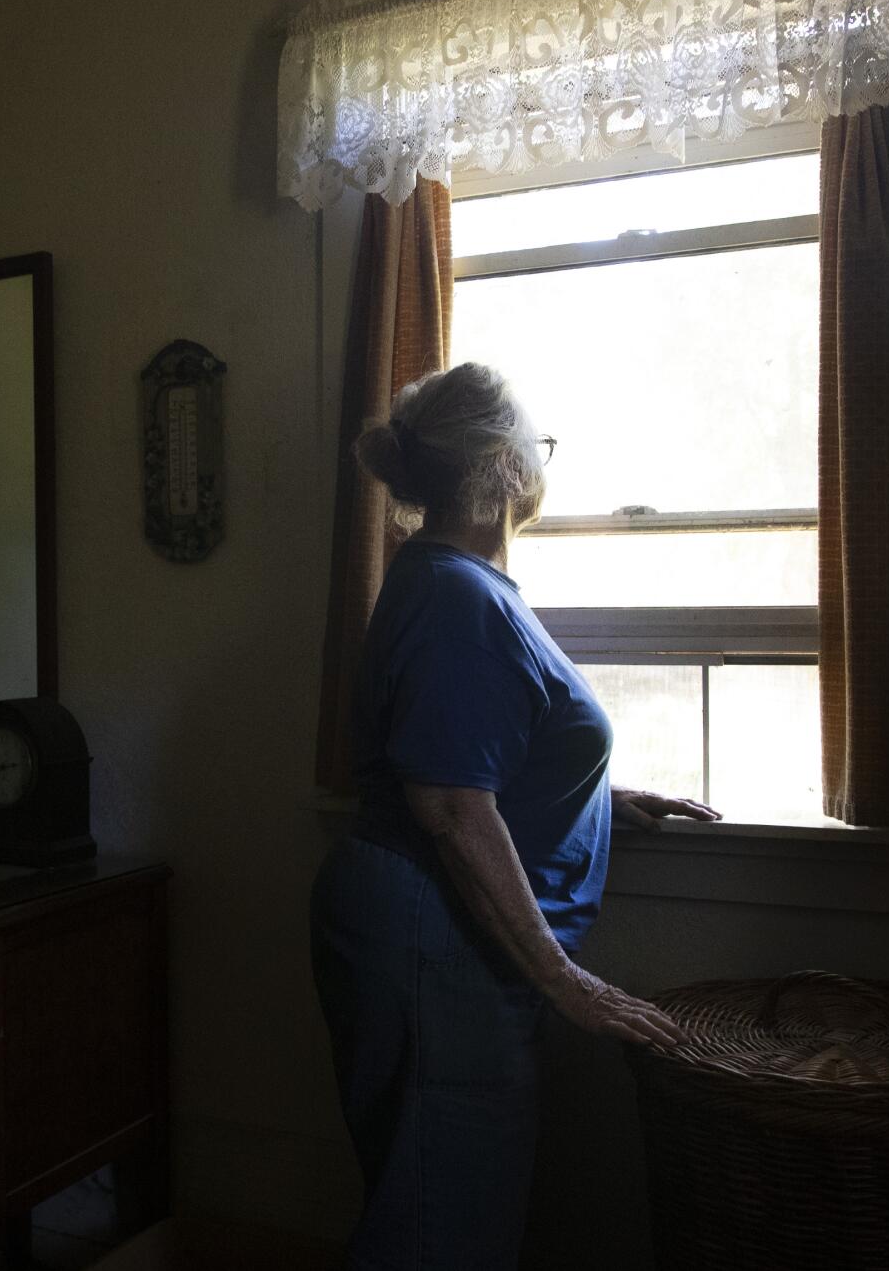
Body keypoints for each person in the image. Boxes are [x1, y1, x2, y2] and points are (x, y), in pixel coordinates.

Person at [311, 361, 719, 1269]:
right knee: (438, 1219)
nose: (544, 464)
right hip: (432, 934)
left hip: (433, 932)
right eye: (539, 448)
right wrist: (568, 984)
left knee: (444, 1198)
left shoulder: (457, 584)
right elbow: (452, 804)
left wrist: (597, 795)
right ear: (500, 465)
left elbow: (475, 757)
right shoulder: (456, 596)